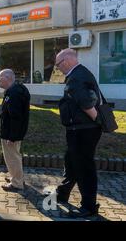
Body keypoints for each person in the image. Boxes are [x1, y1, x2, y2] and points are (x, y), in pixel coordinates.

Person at [55, 48, 103, 218]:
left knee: (84, 168)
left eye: (58, 64)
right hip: (81, 129)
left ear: (66, 61)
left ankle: (89, 207)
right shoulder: (81, 73)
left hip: (83, 131)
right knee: (72, 162)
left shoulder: (76, 77)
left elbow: (86, 102)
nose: (58, 68)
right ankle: (62, 193)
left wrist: (97, 120)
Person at [0, 69, 30, 192]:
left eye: (0, 78)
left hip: (11, 134)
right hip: (10, 133)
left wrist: (12, 136)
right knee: (13, 156)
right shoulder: (13, 91)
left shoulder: (14, 93)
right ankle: (17, 178)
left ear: (7, 78)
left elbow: (16, 117)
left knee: (13, 157)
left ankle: (16, 183)